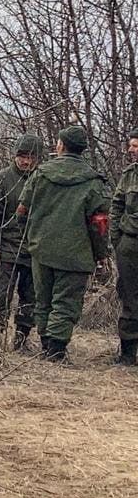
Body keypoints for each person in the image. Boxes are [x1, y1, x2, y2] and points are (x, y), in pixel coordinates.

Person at [18, 127, 109, 362]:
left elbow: (21, 211)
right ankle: (56, 353)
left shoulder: (41, 174)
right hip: (75, 254)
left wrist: (33, 236)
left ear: (61, 146)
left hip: (41, 249)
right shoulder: (92, 180)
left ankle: (47, 346)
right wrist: (100, 254)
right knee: (65, 303)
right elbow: (99, 224)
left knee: (44, 300)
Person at [0, 135, 44, 350]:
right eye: (22, 156)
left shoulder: (43, 179)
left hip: (34, 248)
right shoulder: (1, 179)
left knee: (30, 298)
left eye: (31, 157)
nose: (25, 161)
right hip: (6, 247)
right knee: (0, 296)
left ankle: (21, 340)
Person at [109, 130, 138, 365]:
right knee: (129, 297)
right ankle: (128, 352)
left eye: (135, 146)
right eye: (131, 145)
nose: (131, 150)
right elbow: (117, 205)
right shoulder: (129, 175)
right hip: (130, 243)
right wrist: (117, 238)